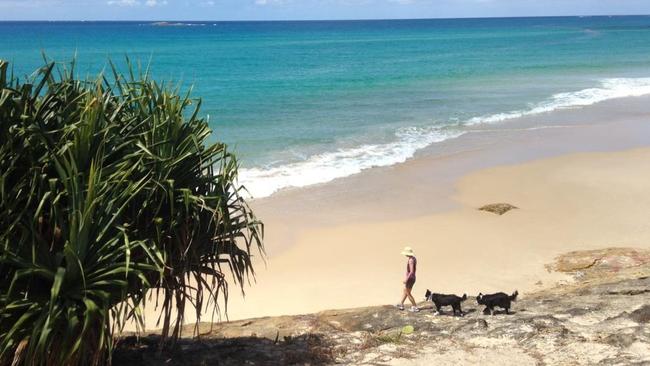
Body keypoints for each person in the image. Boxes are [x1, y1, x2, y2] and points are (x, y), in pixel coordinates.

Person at [396, 246, 419, 312]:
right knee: (405, 291)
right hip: (412, 278)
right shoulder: (413, 258)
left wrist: (406, 279)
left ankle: (415, 306)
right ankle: (401, 304)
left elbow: (411, 271)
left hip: (410, 278)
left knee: (408, 293)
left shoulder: (411, 260)